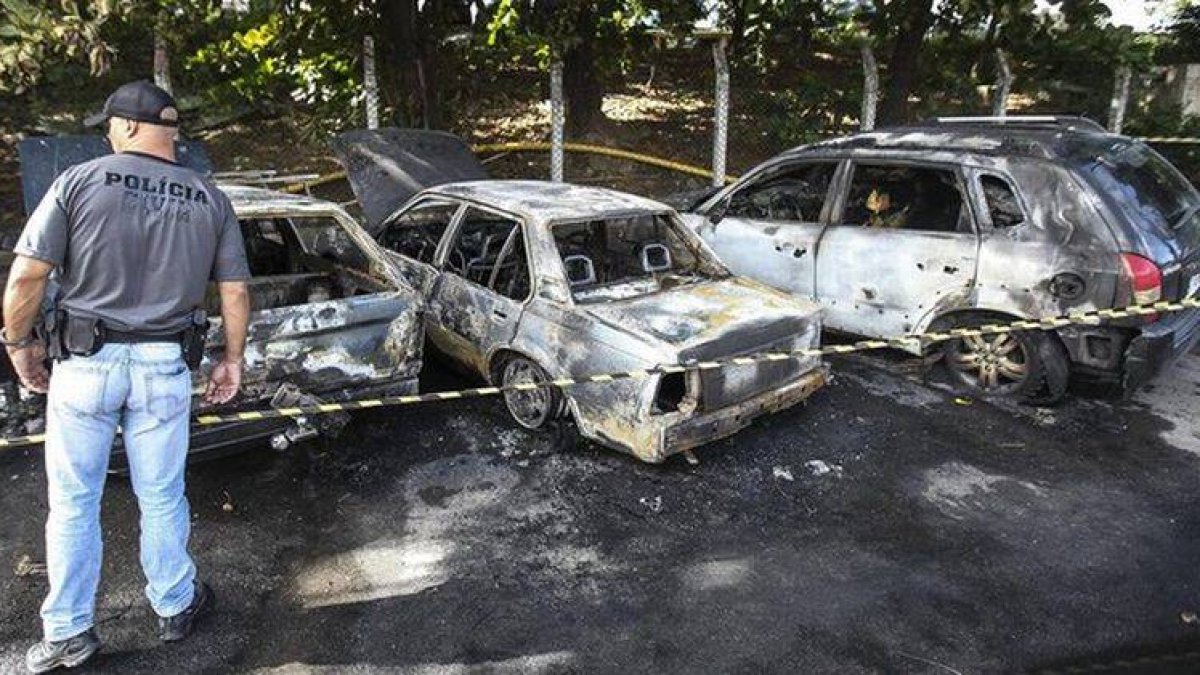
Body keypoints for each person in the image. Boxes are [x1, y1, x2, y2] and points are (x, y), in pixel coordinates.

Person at [1, 80, 252, 673]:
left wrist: (18, 346)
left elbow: (28, 278)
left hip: (85, 366)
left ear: (132, 127)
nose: (108, 133)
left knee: (72, 502)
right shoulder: (208, 197)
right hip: (165, 366)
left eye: (111, 124)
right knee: (162, 493)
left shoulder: (78, 182)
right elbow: (235, 290)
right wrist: (232, 360)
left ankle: (67, 632)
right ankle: (174, 604)